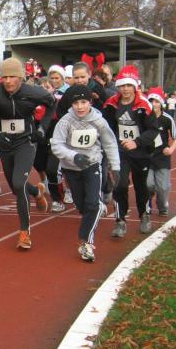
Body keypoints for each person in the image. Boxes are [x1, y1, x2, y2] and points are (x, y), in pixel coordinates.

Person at [0, 57, 53, 250]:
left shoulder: (33, 92)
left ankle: (24, 233)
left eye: (12, 77)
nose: (8, 81)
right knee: (16, 187)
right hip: (4, 143)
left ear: (21, 77)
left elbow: (52, 104)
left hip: (25, 142)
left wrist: (42, 128)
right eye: (5, 77)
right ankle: (36, 191)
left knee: (19, 183)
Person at [50, 84, 120, 262]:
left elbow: (110, 143)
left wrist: (115, 166)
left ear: (90, 102)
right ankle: (97, 207)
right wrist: (74, 156)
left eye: (83, 102)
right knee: (82, 205)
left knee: (91, 204)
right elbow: (56, 145)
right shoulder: (65, 121)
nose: (80, 107)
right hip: (71, 167)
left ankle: (86, 242)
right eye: (76, 103)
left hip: (92, 165)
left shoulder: (99, 121)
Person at [102, 65, 159, 237]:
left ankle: (144, 215)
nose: (125, 89)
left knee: (141, 186)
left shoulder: (144, 105)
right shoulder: (112, 104)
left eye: (128, 85)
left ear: (135, 86)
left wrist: (137, 142)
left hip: (141, 153)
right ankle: (120, 221)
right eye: (122, 85)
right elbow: (107, 127)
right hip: (121, 152)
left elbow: (153, 130)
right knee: (120, 184)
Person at [144, 87, 176, 217]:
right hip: (146, 156)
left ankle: (162, 206)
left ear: (161, 103)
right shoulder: (144, 117)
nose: (153, 104)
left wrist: (171, 149)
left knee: (163, 187)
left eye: (156, 101)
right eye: (151, 101)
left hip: (162, 156)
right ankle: (147, 204)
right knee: (148, 184)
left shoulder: (167, 119)